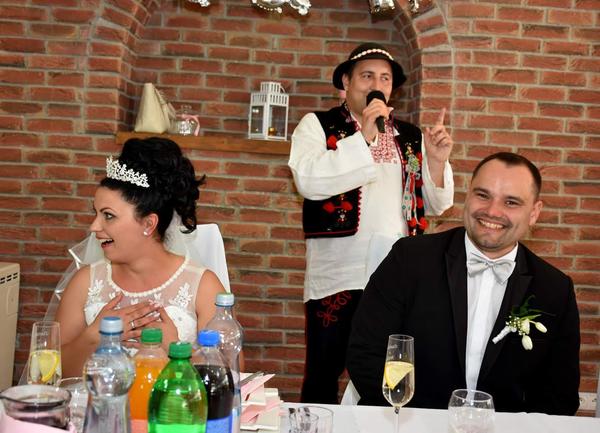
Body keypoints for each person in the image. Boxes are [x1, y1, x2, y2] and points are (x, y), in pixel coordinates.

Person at [347, 152, 580, 415]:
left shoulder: (554, 289)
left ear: (534, 212)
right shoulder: (410, 259)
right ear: (468, 195)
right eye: (483, 195)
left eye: (511, 202)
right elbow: (365, 354)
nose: (492, 211)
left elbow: (560, 396)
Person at [288, 42, 455, 403]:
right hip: (339, 273)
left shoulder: (409, 136)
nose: (376, 84)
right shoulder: (317, 125)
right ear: (345, 83)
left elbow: (435, 204)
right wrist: (362, 137)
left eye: (385, 78)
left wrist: (437, 161)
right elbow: (309, 181)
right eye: (366, 76)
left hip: (397, 274)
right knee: (323, 371)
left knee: (392, 370)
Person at [55, 137, 226, 377]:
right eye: (96, 214)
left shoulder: (203, 286)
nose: (94, 227)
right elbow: (54, 373)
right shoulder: (85, 282)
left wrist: (175, 349)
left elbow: (229, 378)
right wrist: (92, 337)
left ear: (148, 224)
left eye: (108, 216)